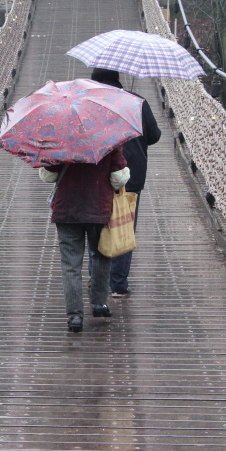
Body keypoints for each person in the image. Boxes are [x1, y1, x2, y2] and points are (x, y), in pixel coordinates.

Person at [90, 67, 162, 297]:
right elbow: (155, 136)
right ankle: (118, 285)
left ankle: (96, 280)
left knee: (97, 228)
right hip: (130, 176)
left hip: (96, 175)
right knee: (123, 228)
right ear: (119, 78)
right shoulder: (137, 102)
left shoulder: (89, 103)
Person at [41, 149, 130, 332]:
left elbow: (48, 176)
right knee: (101, 255)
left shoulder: (60, 141)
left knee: (70, 264)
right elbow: (118, 179)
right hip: (98, 207)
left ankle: (74, 315)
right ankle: (98, 303)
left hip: (67, 209)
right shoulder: (108, 139)